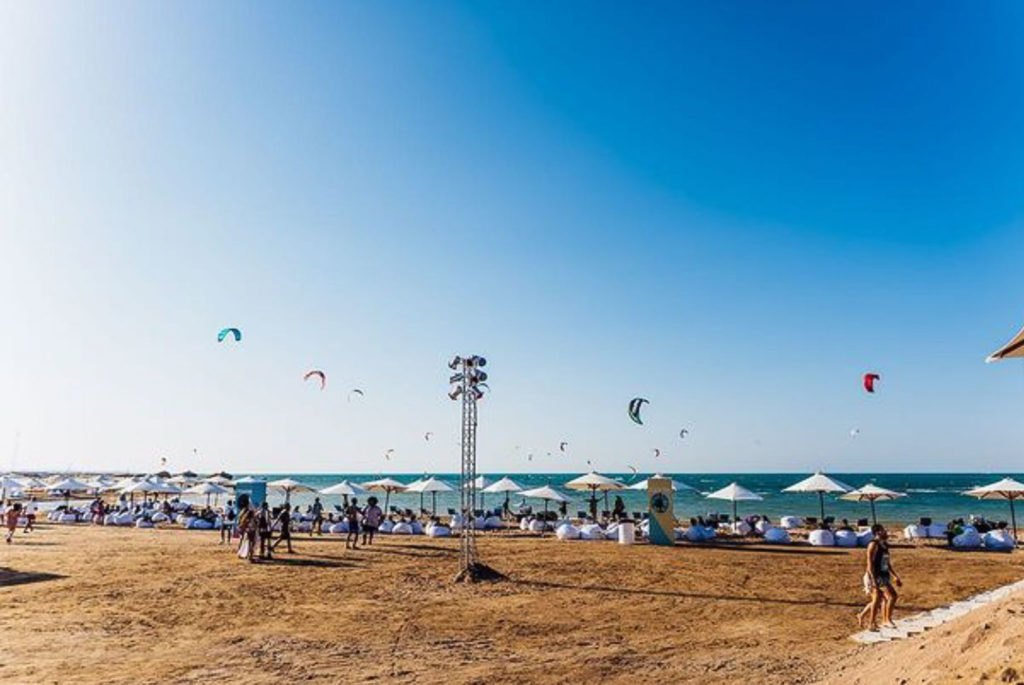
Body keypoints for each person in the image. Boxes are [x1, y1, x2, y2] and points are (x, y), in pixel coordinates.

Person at [858, 524, 902, 630]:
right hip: (875, 575)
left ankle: (869, 619)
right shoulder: (873, 545)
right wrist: (873, 580)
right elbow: (869, 564)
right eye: (884, 531)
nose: (886, 533)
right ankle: (885, 620)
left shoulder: (885, 545)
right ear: (877, 532)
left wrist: (895, 576)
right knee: (891, 596)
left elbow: (886, 563)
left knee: (879, 600)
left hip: (883, 574)